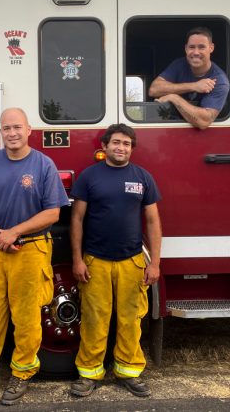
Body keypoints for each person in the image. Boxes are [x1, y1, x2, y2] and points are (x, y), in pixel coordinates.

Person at [0, 107, 69, 406]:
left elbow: (53, 212)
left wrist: (14, 232)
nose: (12, 133)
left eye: (17, 127)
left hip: (31, 249)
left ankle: (22, 374)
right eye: (7, 128)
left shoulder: (43, 164)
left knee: (27, 317)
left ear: (30, 130)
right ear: (1, 132)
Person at [69, 123, 162, 398]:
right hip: (95, 261)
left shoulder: (143, 177)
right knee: (94, 319)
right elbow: (76, 219)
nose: (121, 147)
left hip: (131, 261)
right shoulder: (89, 177)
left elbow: (153, 220)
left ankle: (128, 371)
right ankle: (89, 373)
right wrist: (77, 259)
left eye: (127, 143)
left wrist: (154, 263)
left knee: (130, 320)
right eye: (116, 143)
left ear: (132, 148)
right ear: (105, 146)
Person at [147, 27, 229, 129]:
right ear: (186, 48)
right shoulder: (179, 64)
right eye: (191, 47)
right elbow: (154, 90)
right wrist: (194, 86)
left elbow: (203, 122)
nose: (196, 52)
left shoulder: (220, 81)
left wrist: (174, 98)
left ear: (211, 48)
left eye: (201, 47)